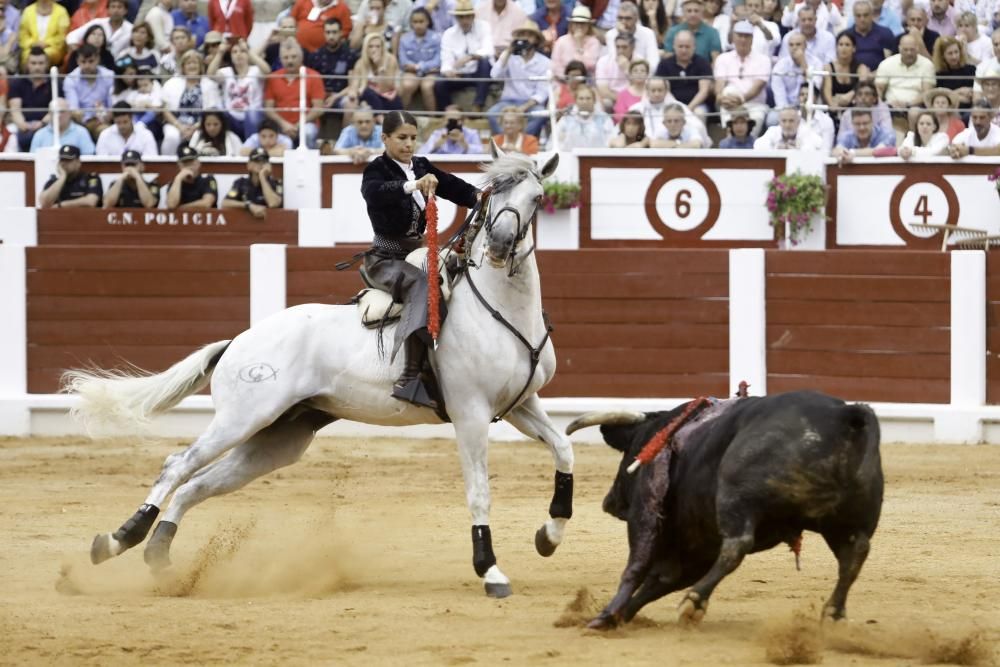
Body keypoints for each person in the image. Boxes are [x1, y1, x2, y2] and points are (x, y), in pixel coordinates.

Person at [360, 109, 480, 409]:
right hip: (384, 258)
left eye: (413, 138)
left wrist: (480, 196)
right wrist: (413, 185)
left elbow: (452, 186)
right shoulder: (376, 169)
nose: (409, 144)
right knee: (423, 285)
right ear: (384, 138)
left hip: (416, 252)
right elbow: (375, 193)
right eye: (401, 138)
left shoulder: (422, 165)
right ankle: (411, 375)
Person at [487, 19, 551, 136]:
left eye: (529, 35)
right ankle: (505, 141)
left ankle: (522, 142)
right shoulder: (509, 56)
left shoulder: (545, 62)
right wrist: (508, 51)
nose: (525, 38)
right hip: (507, 101)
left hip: (531, 103)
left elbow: (542, 93)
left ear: (536, 39)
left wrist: (523, 108)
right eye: (522, 35)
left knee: (541, 114)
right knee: (492, 114)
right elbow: (494, 76)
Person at [264, 38, 325, 148]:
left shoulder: (314, 76)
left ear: (301, 57)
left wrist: (297, 125)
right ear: (281, 60)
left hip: (306, 124)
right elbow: (269, 108)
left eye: (293, 57)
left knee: (308, 133)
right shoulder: (273, 77)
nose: (290, 61)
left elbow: (318, 109)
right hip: (280, 125)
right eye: (286, 57)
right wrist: (283, 124)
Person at [713, 20, 770, 136]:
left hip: (754, 105)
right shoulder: (723, 58)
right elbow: (719, 85)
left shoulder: (763, 60)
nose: (743, 40)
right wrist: (720, 97)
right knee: (728, 91)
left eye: (747, 36)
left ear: (752, 38)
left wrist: (741, 100)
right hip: (729, 103)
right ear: (733, 38)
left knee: (751, 130)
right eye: (740, 36)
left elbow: (758, 87)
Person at [208, 37, 270, 140]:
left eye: (242, 51)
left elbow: (267, 71)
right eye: (234, 52)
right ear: (231, 56)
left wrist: (248, 51)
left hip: (252, 116)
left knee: (252, 113)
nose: (238, 54)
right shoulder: (227, 72)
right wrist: (220, 53)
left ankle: (251, 148)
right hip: (232, 117)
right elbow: (210, 74)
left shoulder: (255, 70)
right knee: (219, 113)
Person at [161, 49, 221, 155]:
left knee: (199, 140)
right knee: (171, 137)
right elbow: (165, 109)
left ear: (200, 66)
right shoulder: (172, 83)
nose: (192, 66)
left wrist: (195, 127)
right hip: (176, 123)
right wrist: (179, 126)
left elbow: (212, 111)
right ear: (183, 67)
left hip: (201, 125)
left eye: (195, 62)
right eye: (188, 63)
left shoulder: (209, 84)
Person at [435, 0, 493, 110]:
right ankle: (450, 111)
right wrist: (448, 72)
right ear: (456, 18)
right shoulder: (449, 34)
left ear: (473, 16)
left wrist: (471, 57)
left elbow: (489, 50)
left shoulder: (484, 26)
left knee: (485, 63)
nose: (464, 20)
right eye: (461, 17)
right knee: (439, 83)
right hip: (460, 74)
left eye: (467, 17)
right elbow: (446, 60)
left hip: (478, 73)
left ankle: (477, 105)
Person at [654, 30, 712, 117]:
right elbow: (665, 90)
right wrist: (677, 108)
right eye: (680, 46)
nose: (684, 50)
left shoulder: (702, 63)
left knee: (700, 113)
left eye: (687, 47)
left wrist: (688, 109)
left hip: (697, 105)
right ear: (674, 46)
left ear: (694, 47)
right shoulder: (664, 64)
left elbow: (704, 91)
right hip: (670, 104)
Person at [9, 47, 56, 152]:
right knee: (11, 135)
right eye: (33, 63)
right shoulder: (17, 82)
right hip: (22, 125)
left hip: (47, 125)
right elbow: (15, 109)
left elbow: (56, 108)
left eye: (40, 63)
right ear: (27, 64)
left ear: (47, 64)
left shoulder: (55, 83)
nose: (37, 67)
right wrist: (22, 124)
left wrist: (42, 123)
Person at [64, 44, 115, 140]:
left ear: (98, 59)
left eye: (91, 61)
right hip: (80, 123)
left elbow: (112, 104)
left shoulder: (109, 75)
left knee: (105, 132)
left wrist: (108, 115)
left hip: (104, 121)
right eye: (83, 62)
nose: (87, 65)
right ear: (77, 61)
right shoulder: (71, 79)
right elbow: (73, 108)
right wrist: (78, 115)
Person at [347, 33, 403, 113]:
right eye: (370, 46)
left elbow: (387, 88)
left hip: (387, 96)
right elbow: (354, 86)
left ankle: (382, 119)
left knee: (395, 101)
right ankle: (380, 118)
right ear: (366, 48)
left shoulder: (390, 60)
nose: (374, 49)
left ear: (382, 48)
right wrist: (353, 92)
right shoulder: (360, 63)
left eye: (377, 46)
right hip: (369, 98)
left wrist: (379, 66)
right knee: (367, 93)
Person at [398, 8, 441, 110]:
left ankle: (432, 119)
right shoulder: (405, 39)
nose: (418, 25)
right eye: (415, 22)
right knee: (407, 85)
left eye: (421, 22)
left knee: (427, 86)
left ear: (428, 22)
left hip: (431, 72)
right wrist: (415, 68)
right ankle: (402, 116)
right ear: (411, 23)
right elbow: (403, 60)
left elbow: (438, 60)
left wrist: (420, 66)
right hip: (411, 71)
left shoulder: (436, 38)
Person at [222, 148, 283, 217]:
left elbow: (273, 203)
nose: (261, 164)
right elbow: (225, 203)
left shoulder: (276, 183)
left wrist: (262, 177)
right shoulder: (241, 182)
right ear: (248, 165)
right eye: (257, 161)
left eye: (264, 162)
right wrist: (248, 205)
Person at [38, 144, 103, 209]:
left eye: (68, 160)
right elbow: (44, 203)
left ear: (78, 162)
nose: (64, 163)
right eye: (62, 160)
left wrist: (61, 205)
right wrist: (62, 177)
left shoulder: (90, 178)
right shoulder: (54, 182)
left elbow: (91, 202)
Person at [555, 84, 615, 149]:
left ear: (594, 100)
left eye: (588, 98)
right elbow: (557, 141)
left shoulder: (604, 119)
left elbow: (611, 141)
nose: (585, 101)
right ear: (575, 101)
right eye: (581, 98)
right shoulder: (566, 120)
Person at [67, 0, 133, 58]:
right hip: (93, 63)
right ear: (108, 10)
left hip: (119, 65)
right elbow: (71, 36)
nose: (116, 10)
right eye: (113, 7)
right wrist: (81, 53)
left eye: (119, 7)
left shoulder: (131, 29)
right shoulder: (98, 22)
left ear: (125, 11)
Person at [604, 1, 660, 70]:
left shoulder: (648, 34)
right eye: (620, 18)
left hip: (643, 77)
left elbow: (654, 64)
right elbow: (614, 63)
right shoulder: (611, 35)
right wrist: (623, 36)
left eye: (628, 18)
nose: (623, 22)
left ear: (636, 19)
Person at [823, 31, 871, 111]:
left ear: (854, 48)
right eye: (840, 44)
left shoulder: (861, 68)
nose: (843, 48)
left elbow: (862, 85)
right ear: (836, 47)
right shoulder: (829, 67)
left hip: (856, 109)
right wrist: (833, 106)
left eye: (847, 45)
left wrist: (849, 95)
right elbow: (827, 91)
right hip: (834, 108)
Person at [550, 6, 601, 77]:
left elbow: (590, 66)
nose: (579, 26)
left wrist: (579, 45)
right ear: (571, 24)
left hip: (585, 82)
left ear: (588, 25)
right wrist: (568, 79)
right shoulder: (561, 41)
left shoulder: (594, 42)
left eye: (583, 23)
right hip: (564, 81)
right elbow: (555, 65)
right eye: (576, 23)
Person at [843, 0, 895, 71]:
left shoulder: (885, 34)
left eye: (865, 15)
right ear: (854, 16)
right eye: (858, 16)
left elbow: (892, 62)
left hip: (880, 78)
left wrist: (874, 75)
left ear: (872, 15)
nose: (862, 19)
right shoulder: (846, 36)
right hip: (852, 78)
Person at [30, 99, 97, 154]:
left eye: (62, 111)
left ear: (69, 113)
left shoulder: (81, 132)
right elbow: (32, 161)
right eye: (54, 112)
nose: (58, 115)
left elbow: (89, 158)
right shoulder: (39, 134)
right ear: (49, 114)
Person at [18, 0, 70, 69]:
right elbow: (23, 35)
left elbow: (62, 35)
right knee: (27, 55)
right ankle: (28, 78)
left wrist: (47, 43)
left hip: (53, 48)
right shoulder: (28, 11)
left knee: (46, 54)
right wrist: (33, 43)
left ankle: (46, 77)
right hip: (31, 47)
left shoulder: (61, 11)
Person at [832, 108, 896, 161]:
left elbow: (878, 151)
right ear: (852, 123)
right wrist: (842, 154)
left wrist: (851, 152)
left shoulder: (887, 134)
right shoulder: (846, 136)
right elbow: (837, 150)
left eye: (865, 123)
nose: (861, 127)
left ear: (872, 122)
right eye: (857, 124)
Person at [167, 144, 218, 209]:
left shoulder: (207, 179)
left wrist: (182, 208)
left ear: (198, 164)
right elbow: (171, 205)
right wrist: (178, 178)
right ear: (179, 166)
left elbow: (206, 203)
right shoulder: (175, 182)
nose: (189, 167)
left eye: (192, 163)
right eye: (185, 164)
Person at [419, 104, 484, 153]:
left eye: (456, 120)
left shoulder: (472, 133)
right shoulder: (438, 134)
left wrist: (465, 145)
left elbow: (482, 153)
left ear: (463, 120)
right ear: (444, 120)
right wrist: (436, 145)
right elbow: (421, 153)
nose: (453, 124)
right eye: (450, 120)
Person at [933, 35, 976, 108]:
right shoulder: (939, 74)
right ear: (942, 55)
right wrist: (959, 91)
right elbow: (940, 98)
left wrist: (951, 94)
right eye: (950, 53)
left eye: (956, 52)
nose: (954, 56)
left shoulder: (971, 69)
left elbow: (974, 94)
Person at [753, 105, 824, 149]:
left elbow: (820, 144)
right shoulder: (773, 131)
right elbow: (758, 144)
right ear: (779, 122)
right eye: (784, 121)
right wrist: (776, 148)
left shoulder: (805, 131)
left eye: (791, 121)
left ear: (798, 122)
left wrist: (797, 149)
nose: (787, 125)